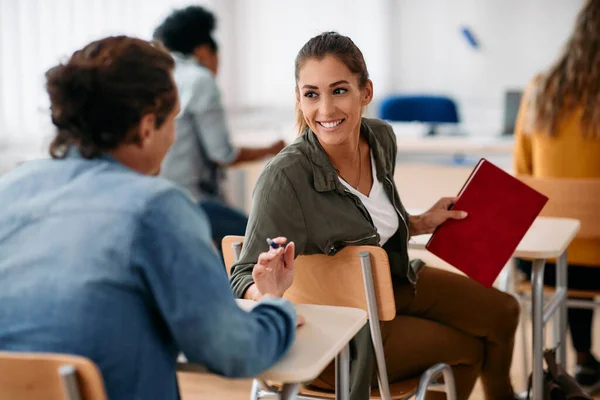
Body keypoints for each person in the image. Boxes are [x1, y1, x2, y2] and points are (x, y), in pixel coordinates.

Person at [0, 36, 299, 400]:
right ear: (145, 128)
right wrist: (275, 308)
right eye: (172, 122)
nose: (173, 138)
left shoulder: (10, 188)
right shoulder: (156, 208)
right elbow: (234, 351)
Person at [230, 32, 521, 400]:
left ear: (365, 92)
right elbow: (240, 275)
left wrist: (419, 222)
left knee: (503, 311)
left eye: (339, 91)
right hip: (345, 332)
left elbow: (370, 230)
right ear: (299, 98)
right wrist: (266, 290)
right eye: (311, 94)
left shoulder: (381, 138)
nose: (326, 110)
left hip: (395, 281)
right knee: (469, 346)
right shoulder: (285, 177)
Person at [514, 0, 600, 390]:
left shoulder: (540, 89)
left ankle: (581, 358)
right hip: (594, 258)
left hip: (544, 262)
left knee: (569, 243)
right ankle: (584, 359)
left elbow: (523, 177)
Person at [153, 6, 285, 249]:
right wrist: (274, 148)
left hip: (155, 200)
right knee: (268, 243)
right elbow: (222, 155)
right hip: (191, 201)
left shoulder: (156, 76)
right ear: (204, 51)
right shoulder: (199, 79)